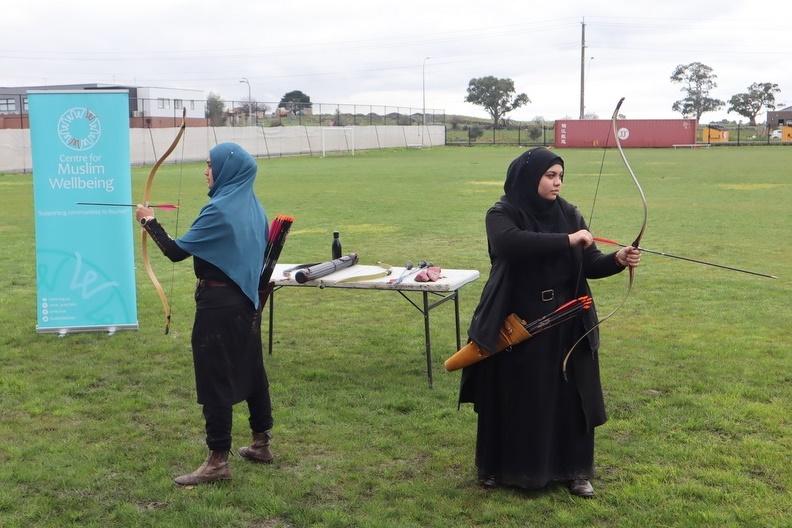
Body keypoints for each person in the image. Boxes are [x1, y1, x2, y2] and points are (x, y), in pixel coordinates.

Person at [458, 147, 640, 498]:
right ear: (530, 177)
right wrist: (568, 240)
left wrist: (616, 259)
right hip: (518, 322)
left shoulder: (569, 214)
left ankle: (576, 470)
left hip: (568, 319)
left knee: (572, 395)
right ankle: (501, 467)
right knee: (519, 396)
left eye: (560, 176)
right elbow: (509, 244)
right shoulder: (503, 212)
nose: (557, 182)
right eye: (550, 175)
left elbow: (589, 263)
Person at [136, 142, 276, 485]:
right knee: (251, 371)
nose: (205, 171)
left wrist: (149, 222)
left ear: (227, 170)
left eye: (210, 165)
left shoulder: (219, 210)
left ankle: (217, 462)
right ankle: (261, 444)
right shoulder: (253, 207)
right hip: (245, 303)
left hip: (220, 307)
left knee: (215, 380)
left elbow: (174, 252)